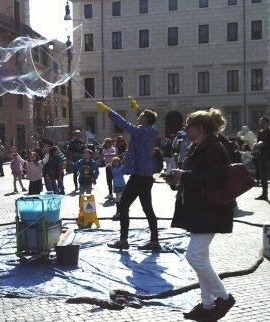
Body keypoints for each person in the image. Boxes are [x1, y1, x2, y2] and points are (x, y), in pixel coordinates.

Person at [169, 108, 235, 321]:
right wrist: (177, 179)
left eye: (189, 126)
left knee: (194, 256)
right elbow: (194, 176)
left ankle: (223, 298)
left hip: (211, 210)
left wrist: (184, 175)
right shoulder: (198, 146)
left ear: (201, 128)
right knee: (202, 256)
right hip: (201, 209)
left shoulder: (214, 147)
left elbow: (216, 179)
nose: (185, 129)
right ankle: (207, 306)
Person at [97, 100, 161, 251]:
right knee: (148, 209)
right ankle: (154, 241)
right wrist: (138, 108)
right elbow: (146, 120)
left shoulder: (138, 131)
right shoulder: (153, 131)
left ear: (144, 120)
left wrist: (108, 110)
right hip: (147, 176)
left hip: (138, 176)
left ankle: (123, 240)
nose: (138, 117)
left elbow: (123, 123)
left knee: (124, 206)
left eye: (140, 116)